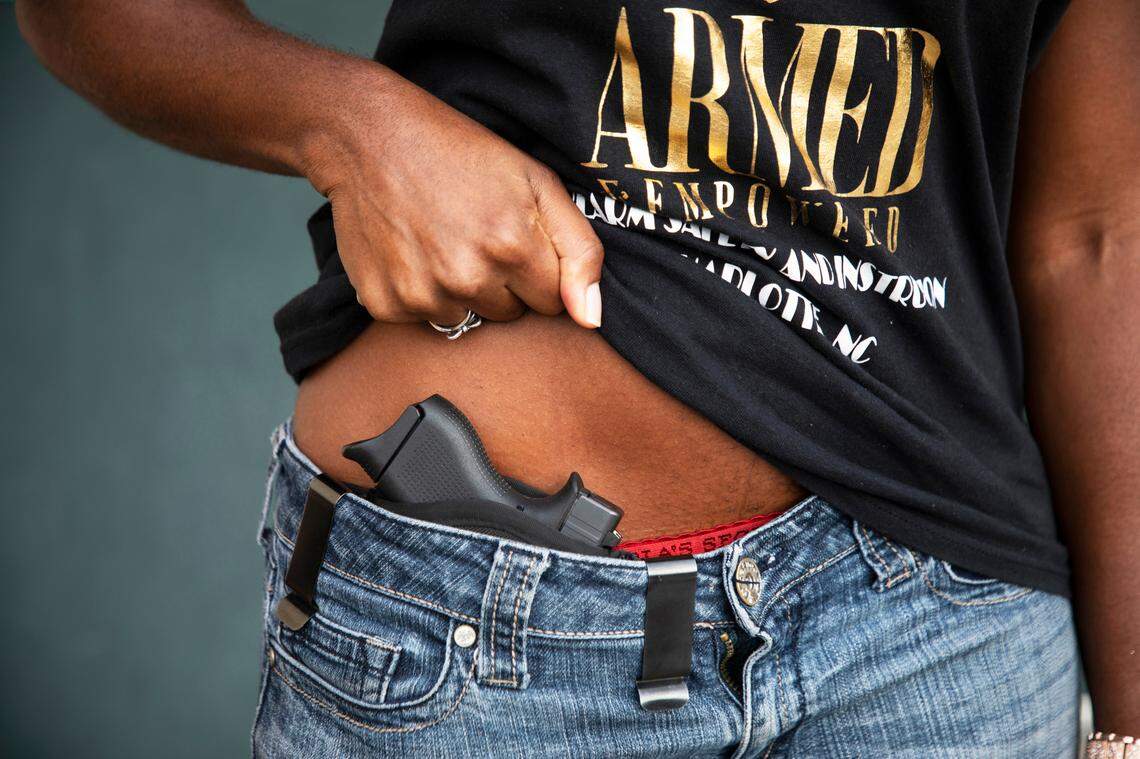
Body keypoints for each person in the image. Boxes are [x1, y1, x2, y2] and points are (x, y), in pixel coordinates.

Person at [16, 0, 1138, 755]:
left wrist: (1130, 725)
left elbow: (1092, 237)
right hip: (489, 623)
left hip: (940, 624)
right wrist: (351, 124)